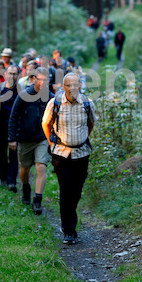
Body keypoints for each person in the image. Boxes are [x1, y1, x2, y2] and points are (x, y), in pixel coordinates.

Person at [42, 73, 96, 244]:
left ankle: (69, 219)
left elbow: (91, 123)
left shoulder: (87, 103)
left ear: (80, 86)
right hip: (61, 154)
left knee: (77, 191)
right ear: (63, 87)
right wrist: (51, 144)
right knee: (66, 190)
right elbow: (45, 123)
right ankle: (68, 230)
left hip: (82, 154)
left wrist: (82, 138)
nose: (72, 88)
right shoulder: (55, 103)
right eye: (68, 85)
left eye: (75, 85)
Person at [8, 67, 54, 215]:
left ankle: (37, 201)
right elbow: (13, 117)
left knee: (41, 167)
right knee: (24, 168)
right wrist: (12, 139)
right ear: (34, 79)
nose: (43, 82)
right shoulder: (23, 96)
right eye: (40, 79)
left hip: (42, 138)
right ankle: (26, 187)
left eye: (46, 80)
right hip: (25, 139)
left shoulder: (51, 98)